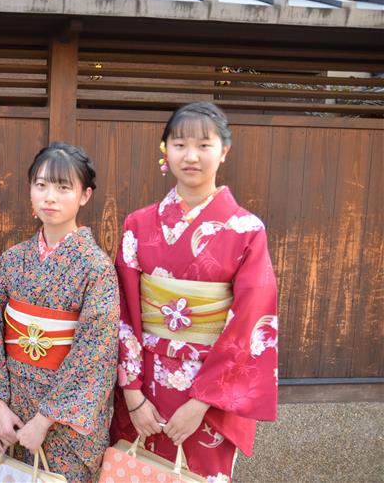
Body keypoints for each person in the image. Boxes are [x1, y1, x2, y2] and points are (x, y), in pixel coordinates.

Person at [111, 102, 278, 482]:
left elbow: (251, 321)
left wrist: (202, 402)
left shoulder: (247, 230)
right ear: (165, 151)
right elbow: (123, 313)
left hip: (209, 392)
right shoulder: (138, 224)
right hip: (145, 387)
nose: (190, 156)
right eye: (180, 144)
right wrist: (132, 395)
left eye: (204, 145)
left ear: (224, 151)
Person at [0, 142, 120, 482]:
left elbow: (95, 354)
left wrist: (45, 419)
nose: (50, 197)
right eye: (41, 185)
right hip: (14, 414)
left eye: (63, 187)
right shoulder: (13, 259)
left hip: (65, 423)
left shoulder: (96, 267)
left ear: (85, 195)